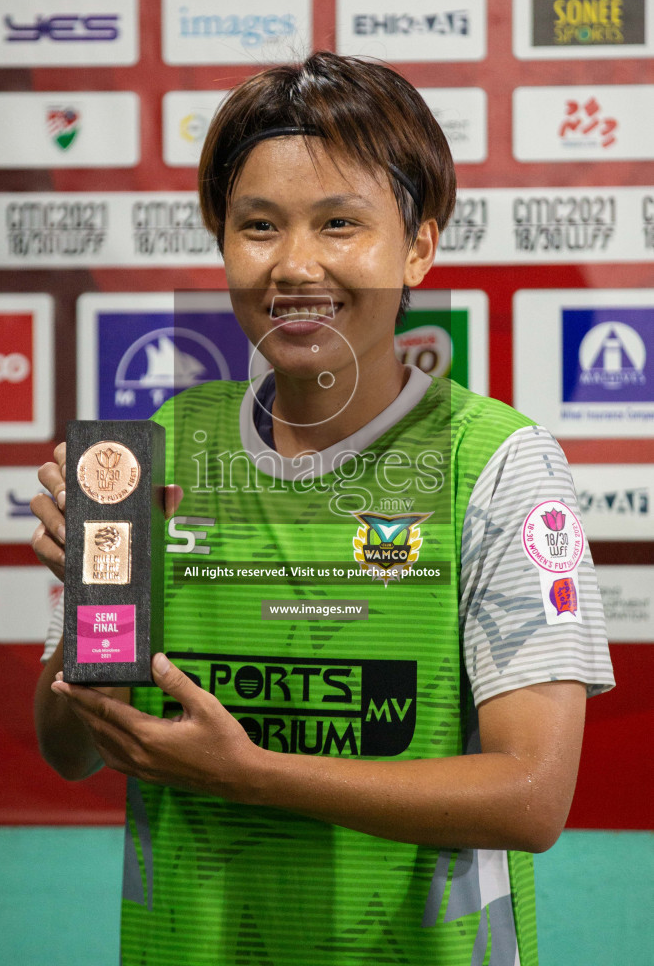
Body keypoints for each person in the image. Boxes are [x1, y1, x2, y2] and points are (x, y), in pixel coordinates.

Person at [32, 51, 614, 966]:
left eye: (339, 224)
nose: (294, 265)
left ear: (419, 244)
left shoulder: (498, 463)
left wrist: (253, 777)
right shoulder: (156, 449)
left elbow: (531, 797)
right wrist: (93, 612)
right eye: (257, 226)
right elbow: (69, 749)